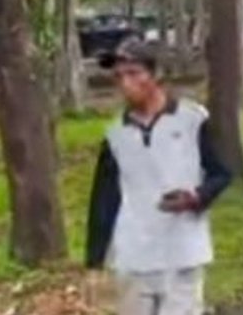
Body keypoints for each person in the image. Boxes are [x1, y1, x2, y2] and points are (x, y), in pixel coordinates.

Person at [86, 40, 233, 315]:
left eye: (133, 73)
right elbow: (104, 200)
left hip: (183, 252)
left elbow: (221, 173)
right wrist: (94, 262)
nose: (124, 83)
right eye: (119, 76)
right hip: (134, 256)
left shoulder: (193, 119)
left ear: (155, 76)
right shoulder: (115, 136)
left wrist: (196, 197)